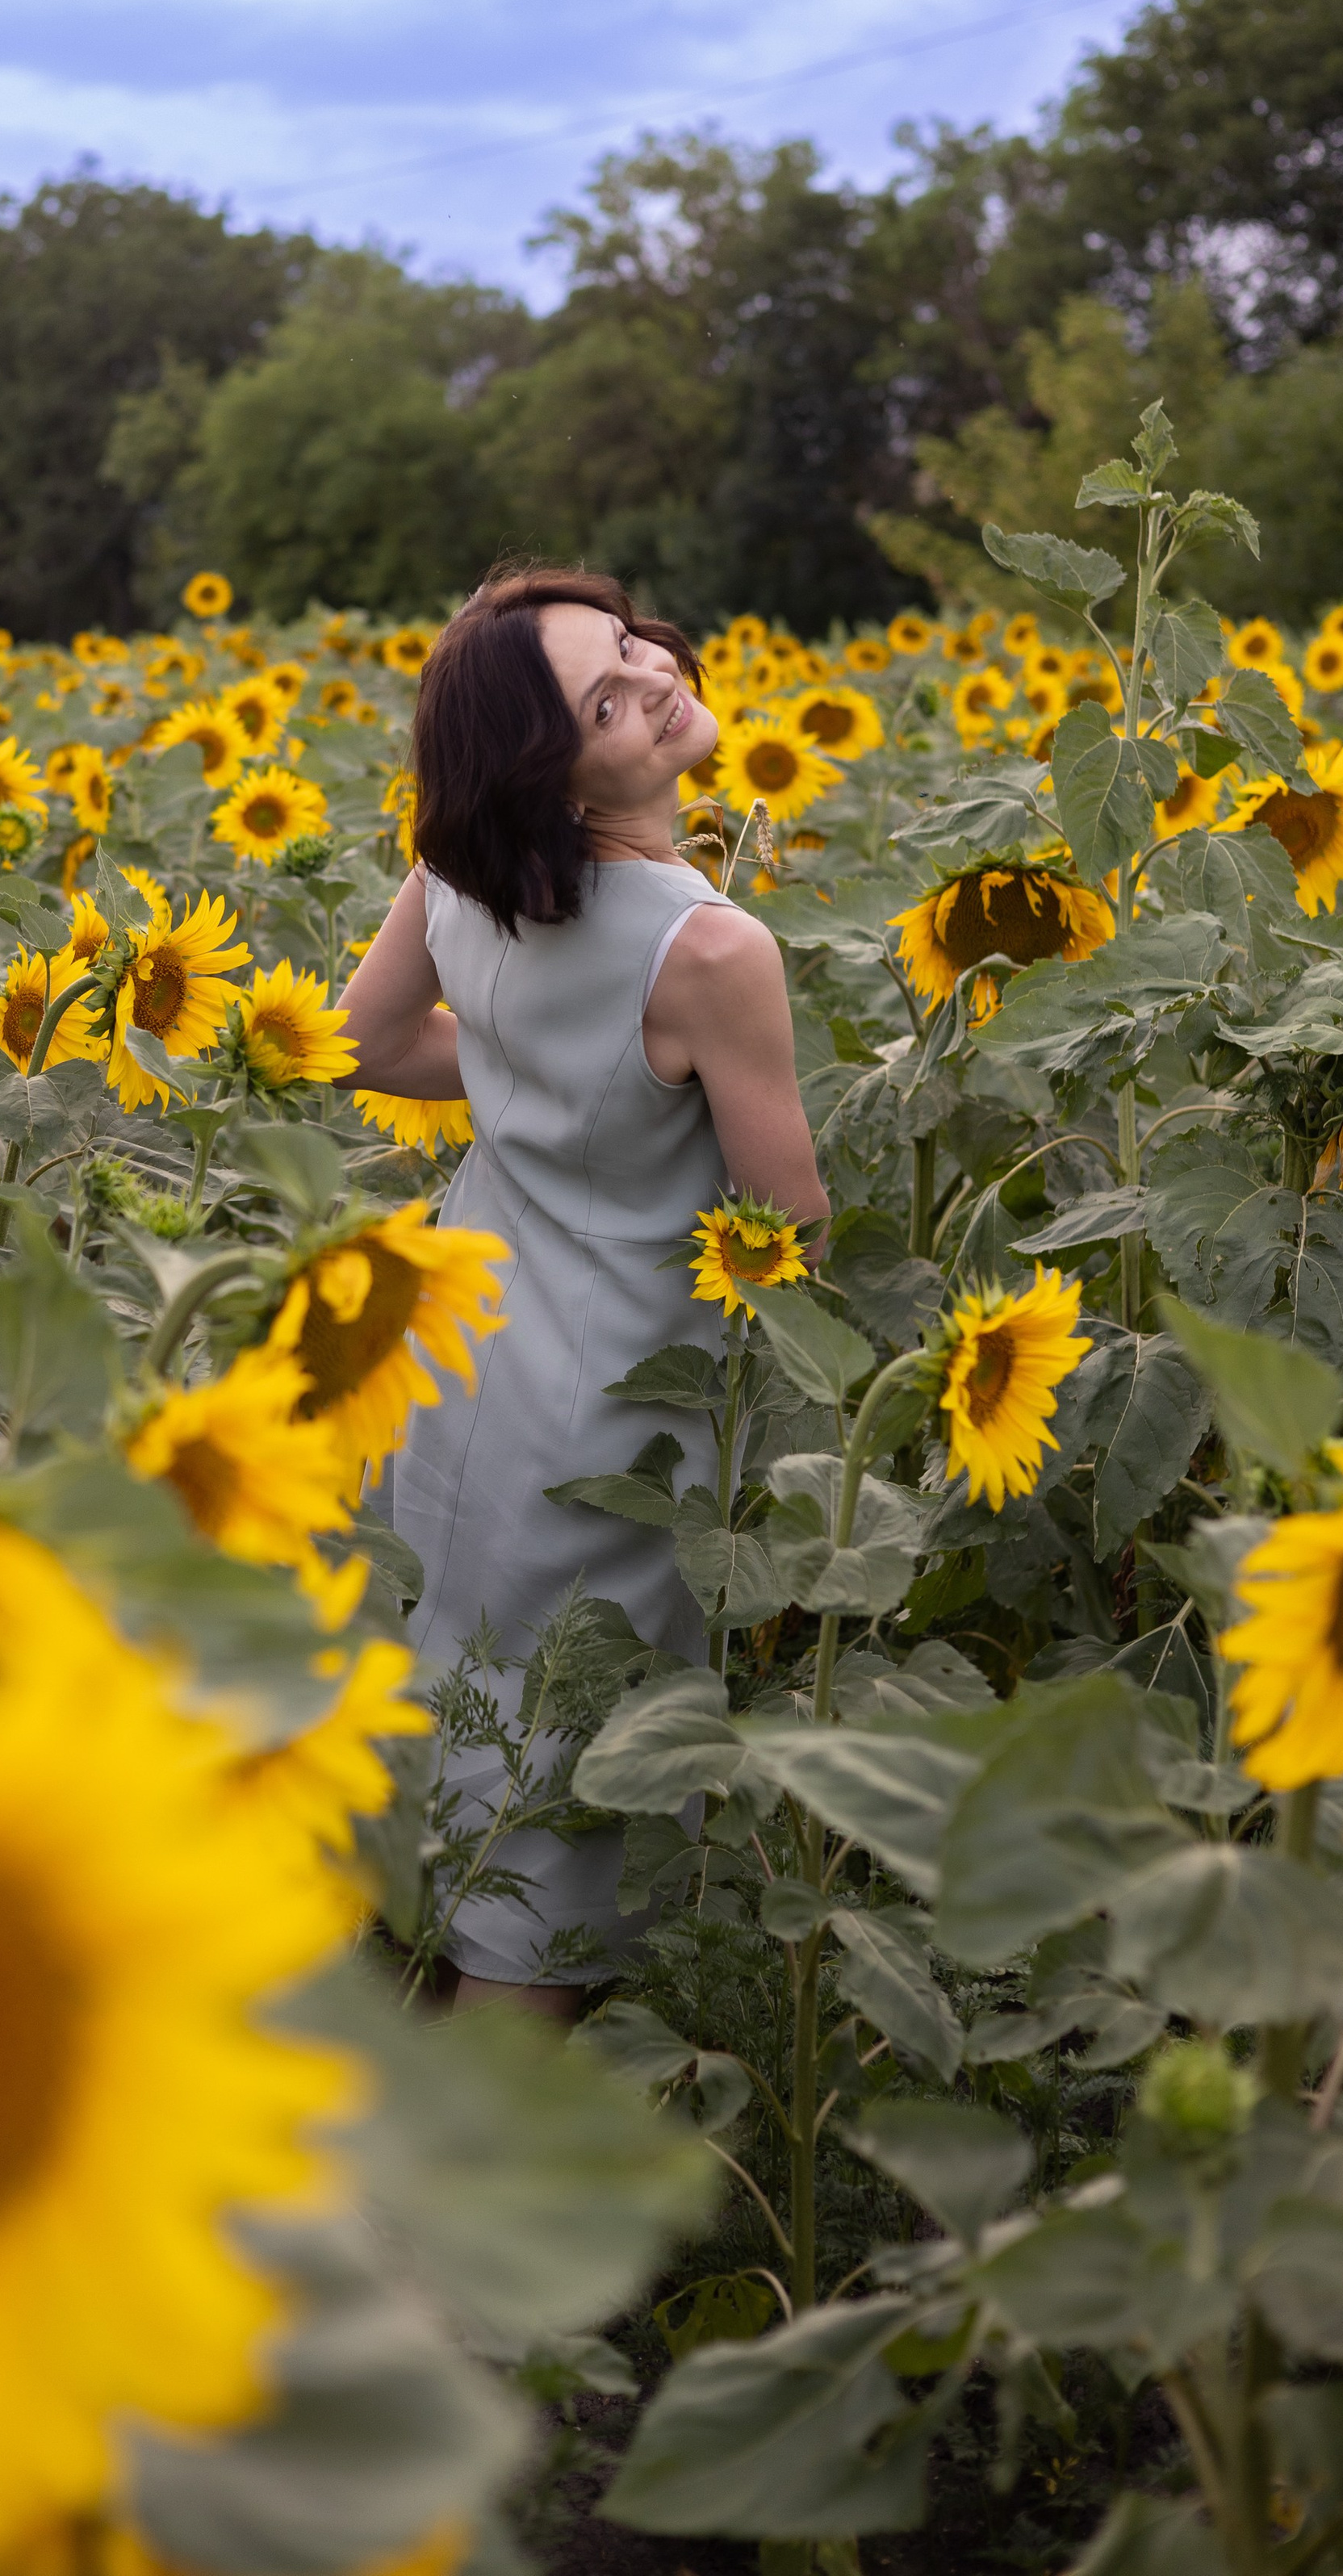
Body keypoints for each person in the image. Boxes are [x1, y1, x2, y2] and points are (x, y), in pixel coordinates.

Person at [343, 567, 829, 2021]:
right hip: (616, 1401)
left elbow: (372, 1044)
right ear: (551, 777)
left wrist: (523, 1080)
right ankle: (489, 2125)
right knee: (564, 1761)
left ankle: (388, 2011)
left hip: (461, 1351)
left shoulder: (462, 876)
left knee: (457, 1687)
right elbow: (787, 1231)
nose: (655, 682)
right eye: (605, 703)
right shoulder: (709, 949)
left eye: (629, 650)